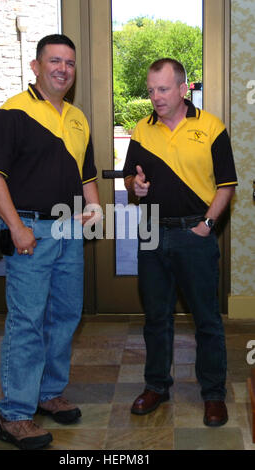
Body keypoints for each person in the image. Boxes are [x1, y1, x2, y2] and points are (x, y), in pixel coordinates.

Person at [0, 34, 100, 450]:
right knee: (27, 321)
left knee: (65, 316)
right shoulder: (12, 113)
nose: (63, 69)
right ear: (36, 66)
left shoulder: (78, 118)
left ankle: (49, 392)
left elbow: (87, 175)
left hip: (69, 232)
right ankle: (14, 413)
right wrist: (15, 226)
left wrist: (95, 210)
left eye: (69, 62)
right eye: (54, 61)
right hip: (31, 231)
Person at [123, 58, 237, 427]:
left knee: (206, 320)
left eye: (164, 89)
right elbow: (130, 178)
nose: (156, 97)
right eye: (152, 90)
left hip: (195, 235)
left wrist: (206, 225)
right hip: (152, 233)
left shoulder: (211, 127)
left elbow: (227, 185)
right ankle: (156, 385)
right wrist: (134, 187)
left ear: (184, 89)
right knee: (156, 318)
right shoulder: (142, 129)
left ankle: (213, 394)